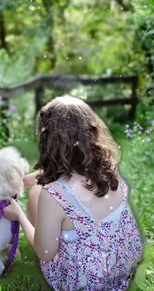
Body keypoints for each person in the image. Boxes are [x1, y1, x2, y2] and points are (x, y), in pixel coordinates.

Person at [3, 95, 143, 291]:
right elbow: (75, 176)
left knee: (36, 193)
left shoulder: (53, 195)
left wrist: (19, 215)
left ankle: (45, 231)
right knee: (41, 192)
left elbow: (46, 253)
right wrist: (33, 177)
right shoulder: (108, 166)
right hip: (121, 262)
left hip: (85, 282)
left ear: (47, 141)